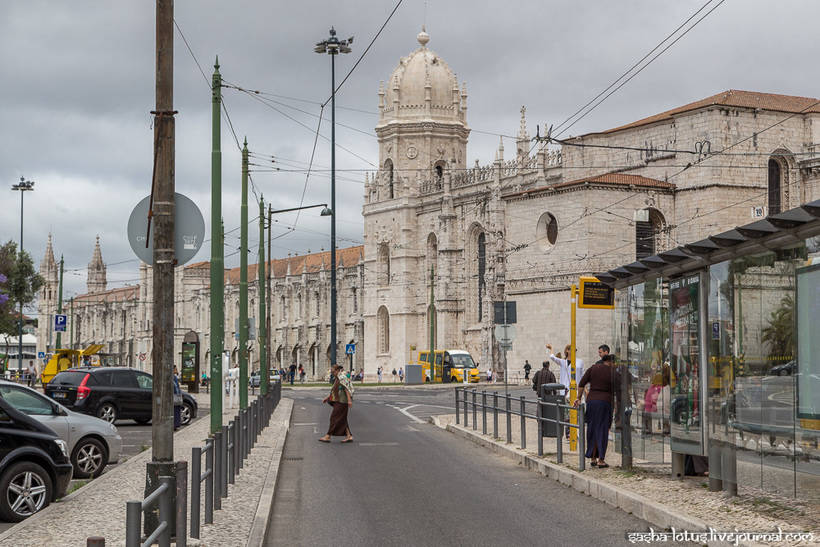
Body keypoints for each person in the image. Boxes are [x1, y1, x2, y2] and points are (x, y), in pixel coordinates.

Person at [574, 352, 616, 468]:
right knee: (602, 430)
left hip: (591, 402)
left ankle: (592, 458)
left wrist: (578, 398)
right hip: (605, 403)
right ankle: (601, 459)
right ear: (611, 362)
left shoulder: (593, 368)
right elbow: (618, 390)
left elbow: (581, 384)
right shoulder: (612, 372)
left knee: (592, 429)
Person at [319, 364, 354, 443]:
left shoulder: (342, 377)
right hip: (339, 400)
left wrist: (349, 400)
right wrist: (327, 398)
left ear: (337, 370)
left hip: (342, 401)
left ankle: (328, 436)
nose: (332, 373)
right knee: (342, 419)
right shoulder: (337, 378)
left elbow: (346, 389)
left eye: (333, 372)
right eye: (331, 372)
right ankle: (349, 436)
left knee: (334, 418)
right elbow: (335, 390)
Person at [173, 366, 183, 430]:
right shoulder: (173, 377)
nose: (176, 370)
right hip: (175, 397)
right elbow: (176, 388)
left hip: (176, 397)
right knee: (175, 411)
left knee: (176, 411)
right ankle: (175, 424)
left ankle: (176, 424)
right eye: (175, 369)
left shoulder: (174, 377)